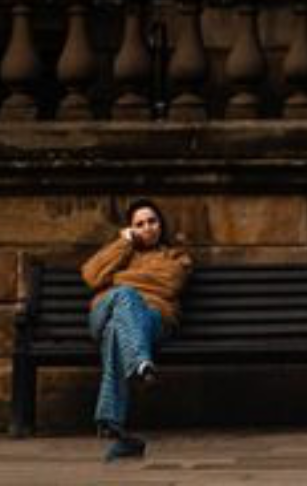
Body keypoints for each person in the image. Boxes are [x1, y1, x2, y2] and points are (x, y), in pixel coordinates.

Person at [81, 198, 193, 461]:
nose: (147, 228)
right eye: (139, 224)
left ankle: (114, 427)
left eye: (152, 221)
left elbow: (169, 284)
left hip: (153, 319)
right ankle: (140, 363)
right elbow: (90, 275)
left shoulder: (176, 256)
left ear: (161, 225)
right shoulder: (120, 250)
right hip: (104, 310)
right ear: (130, 229)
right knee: (125, 296)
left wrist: (115, 280)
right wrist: (123, 244)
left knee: (115, 331)